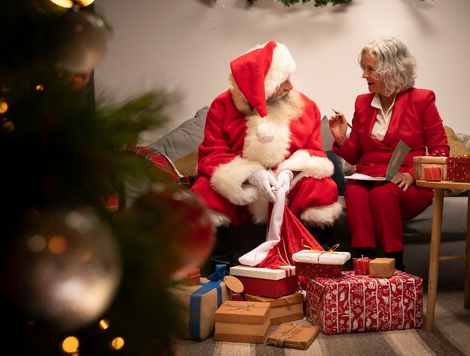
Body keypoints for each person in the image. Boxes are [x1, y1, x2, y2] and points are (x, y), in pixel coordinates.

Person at [190, 40, 342, 263]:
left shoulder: (306, 106)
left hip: (289, 184)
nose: (291, 86)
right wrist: (252, 174)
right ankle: (221, 266)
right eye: (283, 82)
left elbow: (315, 151)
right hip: (243, 187)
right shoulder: (222, 106)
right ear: (260, 87)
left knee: (321, 187)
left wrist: (289, 172)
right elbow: (212, 154)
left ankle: (308, 260)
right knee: (203, 190)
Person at [328, 37, 449, 270]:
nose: (364, 75)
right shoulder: (362, 103)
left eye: (370, 69)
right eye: (363, 68)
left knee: (383, 194)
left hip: (407, 182)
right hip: (368, 178)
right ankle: (365, 264)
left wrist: (412, 175)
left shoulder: (421, 100)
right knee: (354, 191)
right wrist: (342, 138)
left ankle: (395, 266)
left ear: (391, 70)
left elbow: (440, 150)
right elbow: (355, 156)